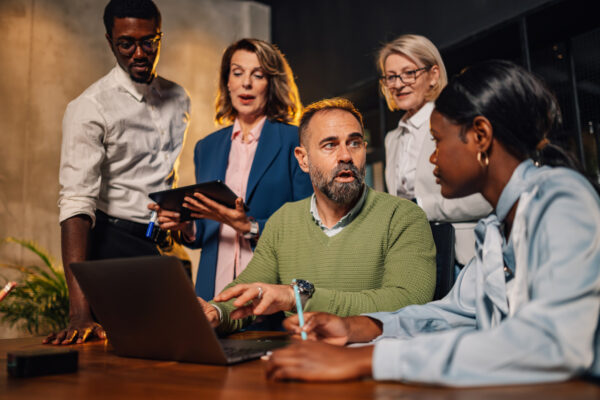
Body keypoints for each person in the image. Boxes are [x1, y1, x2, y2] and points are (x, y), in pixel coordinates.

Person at [265, 60, 600, 386]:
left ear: (480, 136)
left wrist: (365, 360)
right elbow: (452, 314)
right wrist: (360, 327)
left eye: (438, 141)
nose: (432, 157)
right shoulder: (495, 228)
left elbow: (553, 342)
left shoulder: (561, 199)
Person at [196, 98, 436, 334]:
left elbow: (408, 301)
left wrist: (298, 297)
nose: (345, 156)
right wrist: (216, 312)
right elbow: (249, 289)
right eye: (330, 145)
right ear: (303, 159)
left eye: (354, 143)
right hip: (301, 361)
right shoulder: (284, 221)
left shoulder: (403, 217)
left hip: (374, 363)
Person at [46, 0, 190, 345]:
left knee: (179, 354)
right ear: (110, 41)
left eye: (148, 41)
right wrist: (79, 312)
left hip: (164, 249)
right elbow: (77, 205)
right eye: (126, 43)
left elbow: (165, 176)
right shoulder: (90, 107)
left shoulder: (179, 98)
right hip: (113, 247)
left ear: (160, 37)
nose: (138, 53)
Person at [149, 39, 313, 300]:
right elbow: (203, 232)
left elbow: (309, 224)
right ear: (227, 81)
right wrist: (184, 225)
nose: (246, 83)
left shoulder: (295, 140)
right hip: (213, 293)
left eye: (257, 75)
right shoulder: (207, 147)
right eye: (237, 73)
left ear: (270, 83)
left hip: (270, 295)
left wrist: (250, 227)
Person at [379, 34, 491, 266]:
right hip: (413, 259)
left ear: (433, 75)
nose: (398, 84)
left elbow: (486, 198)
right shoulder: (392, 139)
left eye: (409, 73)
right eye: (391, 77)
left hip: (463, 260)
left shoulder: (457, 124)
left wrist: (420, 207)